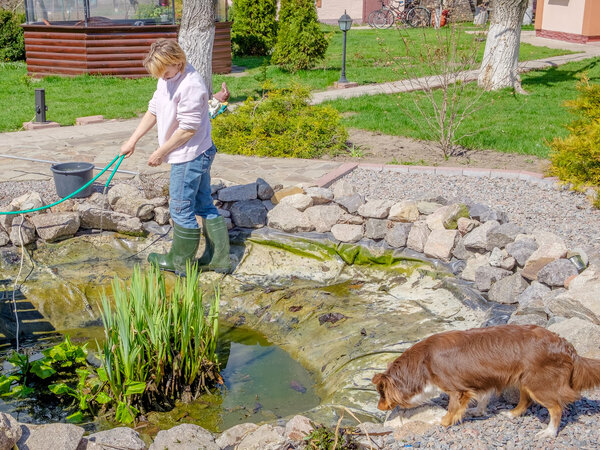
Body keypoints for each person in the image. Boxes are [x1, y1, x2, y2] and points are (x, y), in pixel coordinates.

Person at [120, 38, 231, 275]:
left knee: (180, 209)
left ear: (178, 62)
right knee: (203, 204)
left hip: (190, 155)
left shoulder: (191, 85)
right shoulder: (166, 78)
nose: (164, 78)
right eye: (160, 75)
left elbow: (187, 130)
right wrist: (132, 140)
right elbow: (154, 109)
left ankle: (180, 263)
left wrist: (161, 152)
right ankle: (218, 260)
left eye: (167, 74)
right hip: (194, 151)